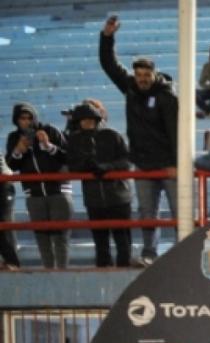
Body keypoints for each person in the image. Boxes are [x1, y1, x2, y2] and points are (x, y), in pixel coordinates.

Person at [99, 16, 177, 265]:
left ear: (154, 74)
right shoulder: (130, 88)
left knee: (180, 211)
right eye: (139, 74)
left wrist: (176, 163)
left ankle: (185, 253)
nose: (142, 78)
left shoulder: (167, 97)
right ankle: (149, 254)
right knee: (147, 213)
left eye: (146, 74)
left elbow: (175, 132)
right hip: (143, 164)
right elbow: (109, 64)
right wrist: (107, 37)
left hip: (168, 165)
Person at [64, 102, 131, 267]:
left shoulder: (112, 135)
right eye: (83, 120)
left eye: (91, 120)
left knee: (122, 239)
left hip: (118, 196)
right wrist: (85, 167)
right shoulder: (74, 141)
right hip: (94, 199)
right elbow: (71, 165)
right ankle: (103, 269)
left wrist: (106, 167)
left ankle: (124, 269)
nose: (88, 123)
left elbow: (126, 160)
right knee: (100, 241)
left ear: (97, 119)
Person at [7, 103, 71, 270]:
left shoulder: (50, 130)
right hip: (33, 194)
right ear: (16, 120)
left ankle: (62, 273)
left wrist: (49, 147)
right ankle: (48, 272)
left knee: (60, 236)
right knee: (42, 237)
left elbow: (68, 157)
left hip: (59, 190)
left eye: (30, 118)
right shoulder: (14, 138)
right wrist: (18, 150)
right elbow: (10, 166)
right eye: (22, 118)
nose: (27, 122)